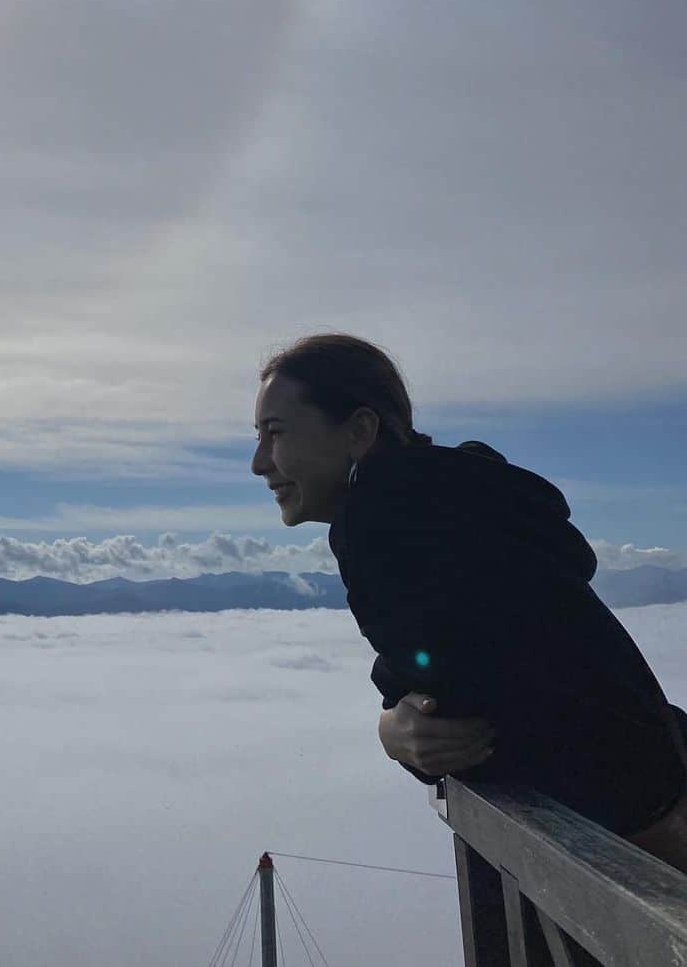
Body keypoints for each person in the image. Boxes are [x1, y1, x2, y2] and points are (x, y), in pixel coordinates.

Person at [251, 331, 687, 874]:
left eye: (274, 434)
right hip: (664, 770)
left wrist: (393, 725)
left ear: (360, 431)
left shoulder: (379, 522)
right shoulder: (465, 501)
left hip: (638, 841)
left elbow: (451, 714)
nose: (258, 463)